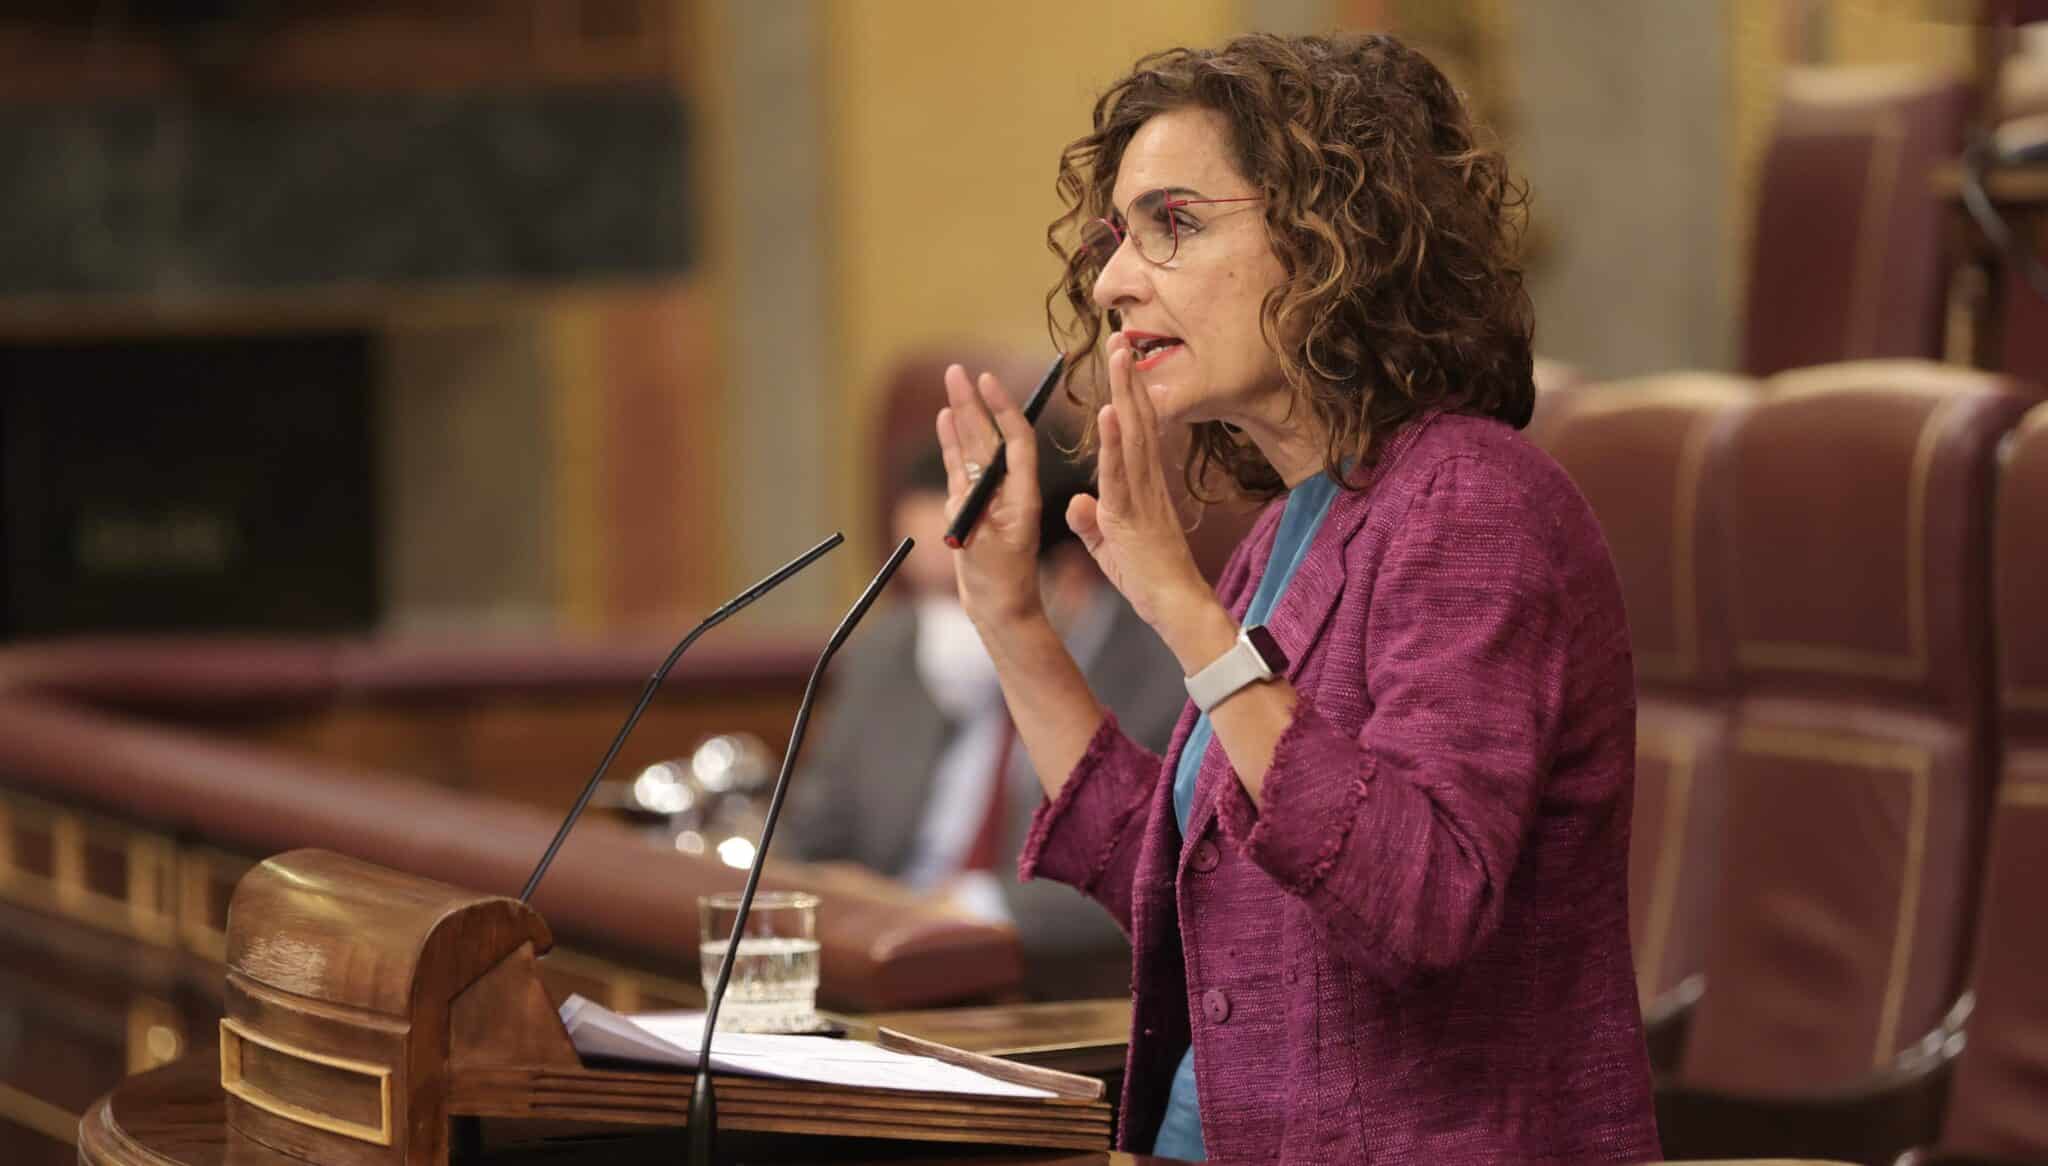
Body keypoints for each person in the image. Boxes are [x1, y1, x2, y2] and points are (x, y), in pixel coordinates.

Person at [933, 32, 1658, 1164]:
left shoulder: (1474, 501)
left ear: (1334, 245)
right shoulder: (1290, 527)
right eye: (1115, 239)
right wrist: (1010, 616)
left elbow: (1418, 900)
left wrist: (1182, 608)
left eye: (1171, 224)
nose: (1115, 281)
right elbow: (1195, 899)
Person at [782, 431, 1186, 998]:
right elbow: (807, 837)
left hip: (1045, 1001)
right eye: (916, 587)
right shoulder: (888, 650)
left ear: (1068, 581)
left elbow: (1158, 882)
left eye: (959, 590)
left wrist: (960, 908)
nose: (935, 621)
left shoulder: (1170, 682)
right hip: (878, 976)